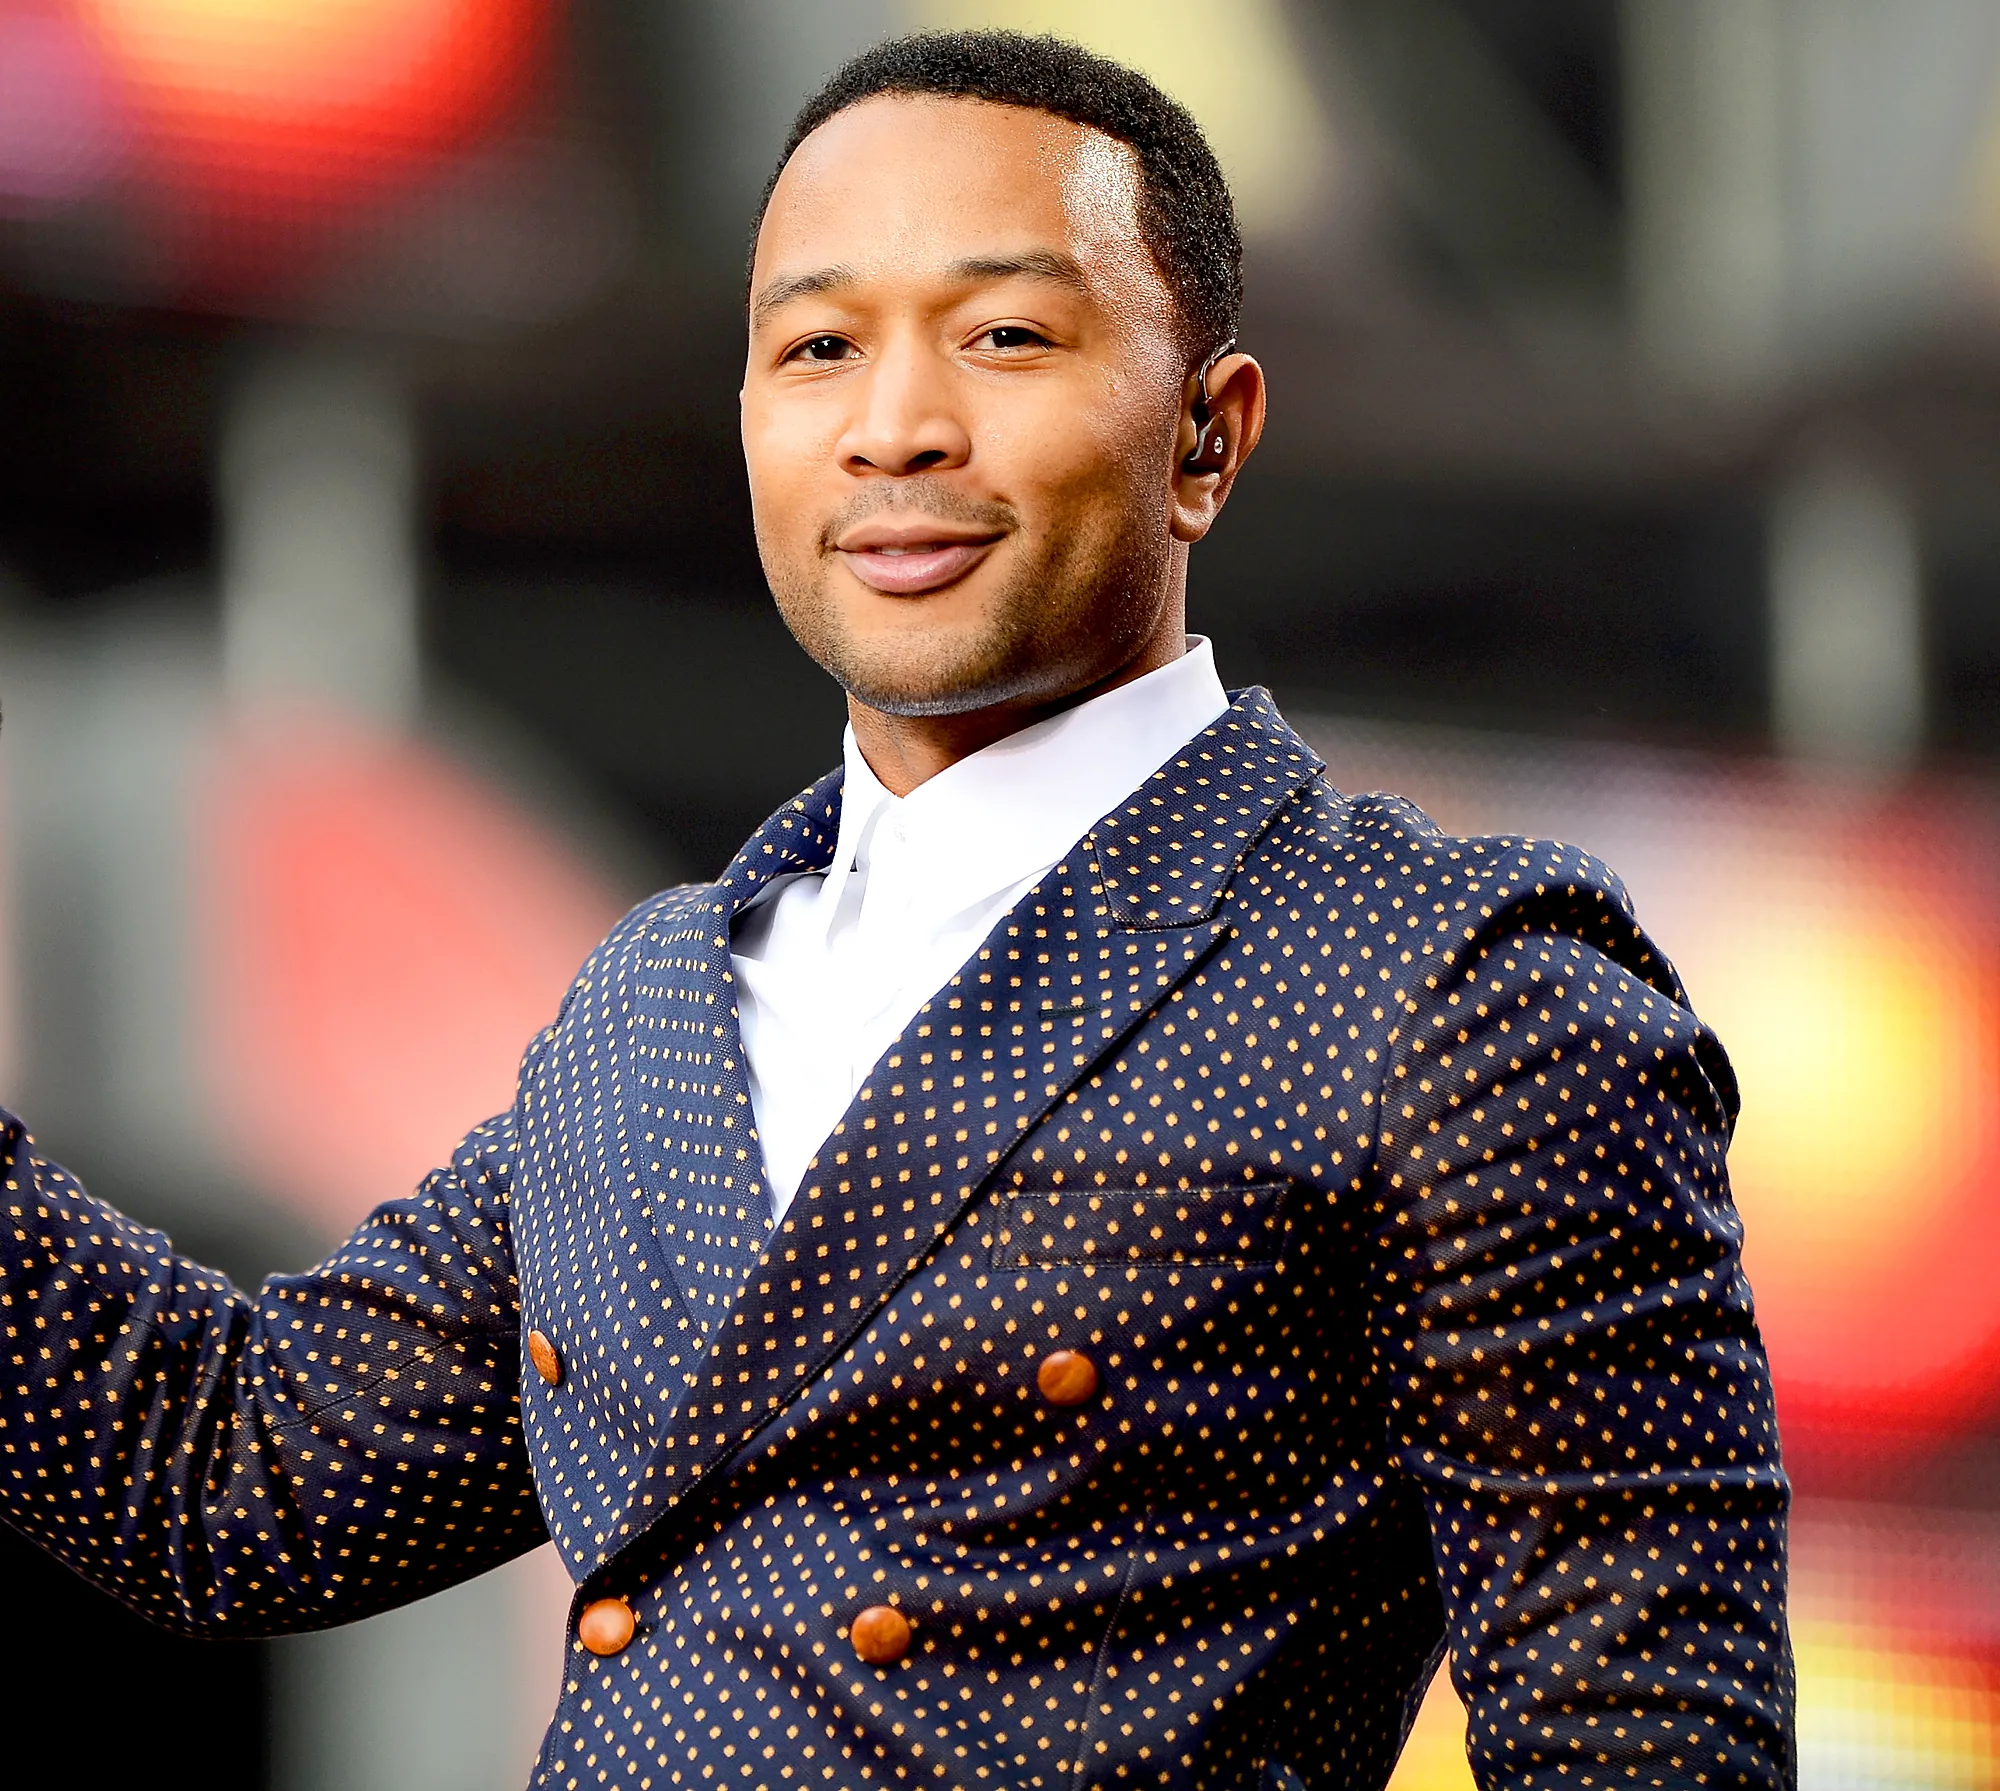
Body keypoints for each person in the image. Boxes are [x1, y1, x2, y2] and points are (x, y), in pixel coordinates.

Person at [0, 30, 1793, 1791]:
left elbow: (1646, 1743)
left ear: (1206, 436)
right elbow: (234, 1479)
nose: (896, 426)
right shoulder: (654, 1000)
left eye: (1005, 335)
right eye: (818, 347)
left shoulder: (1450, 985)